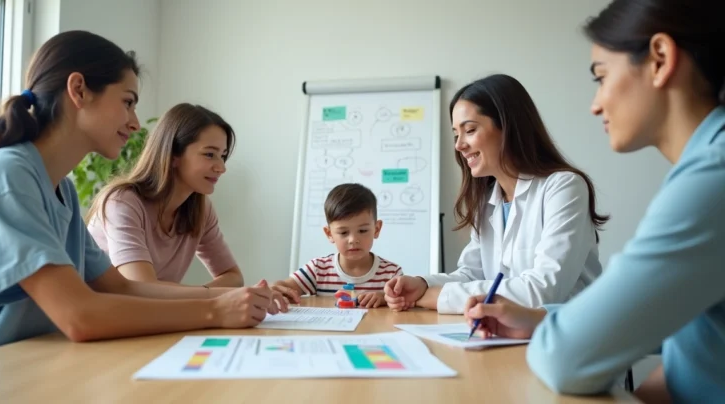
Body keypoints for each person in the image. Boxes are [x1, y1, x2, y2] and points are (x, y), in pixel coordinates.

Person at [0, 31, 279, 357]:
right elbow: (79, 315)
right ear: (79, 90)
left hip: (30, 362)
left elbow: (122, 287)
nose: (136, 123)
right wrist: (215, 311)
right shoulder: (5, 175)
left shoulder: (62, 190)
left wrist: (234, 298)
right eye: (128, 102)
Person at [464, 1, 725, 402]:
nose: (596, 104)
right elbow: (693, 342)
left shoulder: (713, 177)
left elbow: (564, 359)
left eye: (601, 77)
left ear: (660, 59)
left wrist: (549, 329)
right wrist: (538, 321)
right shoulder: (703, 165)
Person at [385, 74, 608, 314]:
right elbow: (471, 274)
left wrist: (439, 297)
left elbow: (542, 291)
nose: (459, 145)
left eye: (469, 130)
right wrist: (423, 284)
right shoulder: (487, 200)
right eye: (456, 134)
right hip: (508, 336)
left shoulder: (564, 188)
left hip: (569, 338)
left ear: (508, 126)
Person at [87, 103, 244, 287]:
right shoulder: (122, 203)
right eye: (209, 154)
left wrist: (208, 296)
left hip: (149, 315)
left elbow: (233, 277)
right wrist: (211, 298)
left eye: (222, 156)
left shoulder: (200, 209)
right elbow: (144, 289)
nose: (221, 168)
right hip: (105, 314)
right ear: (173, 155)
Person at [272, 183, 403, 308]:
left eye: (363, 231)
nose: (353, 240)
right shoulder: (318, 269)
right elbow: (285, 287)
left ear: (377, 229)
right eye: (343, 232)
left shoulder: (391, 274)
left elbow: (406, 301)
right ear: (329, 234)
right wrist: (276, 288)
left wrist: (385, 298)